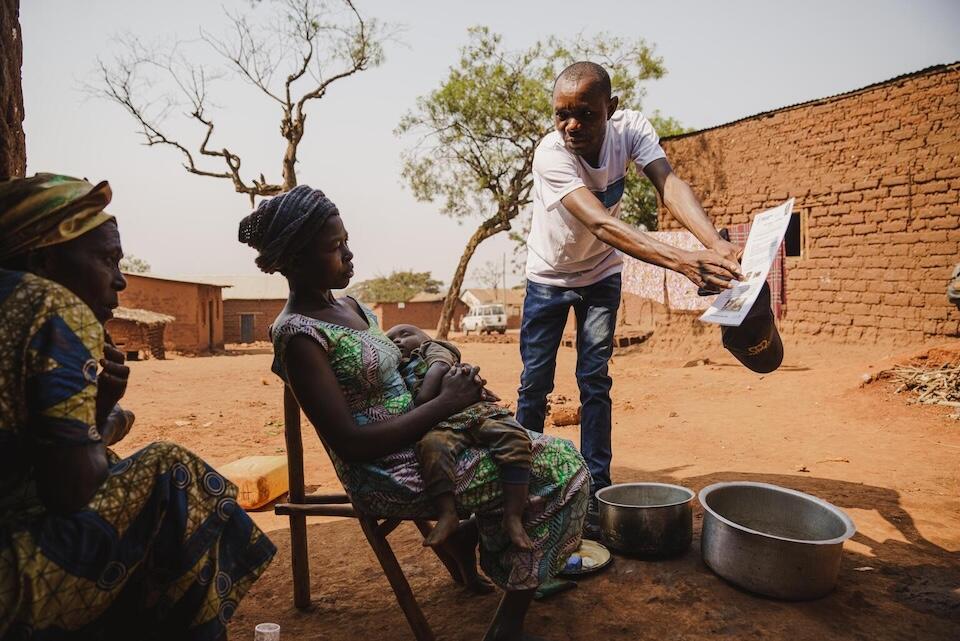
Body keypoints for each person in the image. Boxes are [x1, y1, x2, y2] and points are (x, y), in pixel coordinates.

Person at [239, 185, 589, 641]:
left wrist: (438, 367)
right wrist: (446, 402)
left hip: (428, 426)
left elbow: (389, 366)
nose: (348, 254)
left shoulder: (349, 305)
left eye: (346, 240)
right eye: (334, 247)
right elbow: (350, 442)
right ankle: (511, 614)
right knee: (563, 469)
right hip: (389, 467)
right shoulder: (298, 336)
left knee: (515, 444)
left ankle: (467, 541)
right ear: (295, 260)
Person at [0, 174, 276, 641]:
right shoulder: (50, 307)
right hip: (14, 580)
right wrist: (103, 418)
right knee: (173, 472)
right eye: (107, 260)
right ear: (44, 258)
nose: (120, 280)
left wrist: (97, 412)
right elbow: (68, 490)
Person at [517, 61, 744, 536]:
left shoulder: (631, 129)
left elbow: (668, 183)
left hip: (601, 273)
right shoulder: (550, 156)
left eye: (585, 113)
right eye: (561, 114)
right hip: (549, 277)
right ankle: (527, 487)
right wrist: (684, 261)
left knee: (594, 380)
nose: (571, 125)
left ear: (611, 109)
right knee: (534, 385)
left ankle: (596, 493)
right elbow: (601, 223)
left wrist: (712, 242)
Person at [385, 324, 533, 551]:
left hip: (475, 411)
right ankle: (448, 514)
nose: (398, 341)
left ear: (426, 336)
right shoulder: (397, 369)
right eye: (391, 339)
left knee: (514, 438)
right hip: (442, 423)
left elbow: (439, 367)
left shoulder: (432, 348)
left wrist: (423, 399)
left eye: (405, 334)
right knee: (431, 447)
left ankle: (513, 515)